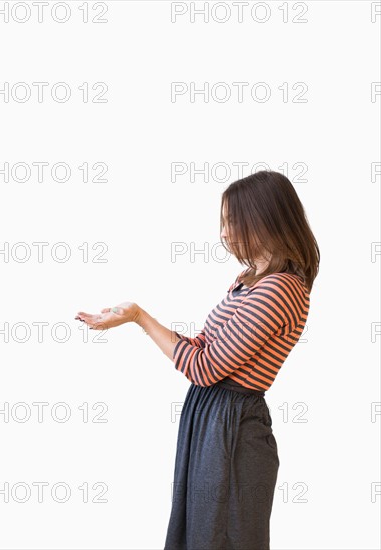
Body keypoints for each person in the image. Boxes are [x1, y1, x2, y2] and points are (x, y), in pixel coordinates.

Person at [75, 170, 320, 550]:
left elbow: (205, 367)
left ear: (265, 217)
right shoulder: (250, 279)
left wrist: (141, 317)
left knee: (224, 537)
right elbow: (204, 344)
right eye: (222, 221)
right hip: (210, 416)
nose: (224, 232)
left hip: (234, 426)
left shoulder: (280, 289)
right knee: (199, 534)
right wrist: (134, 319)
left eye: (232, 221)